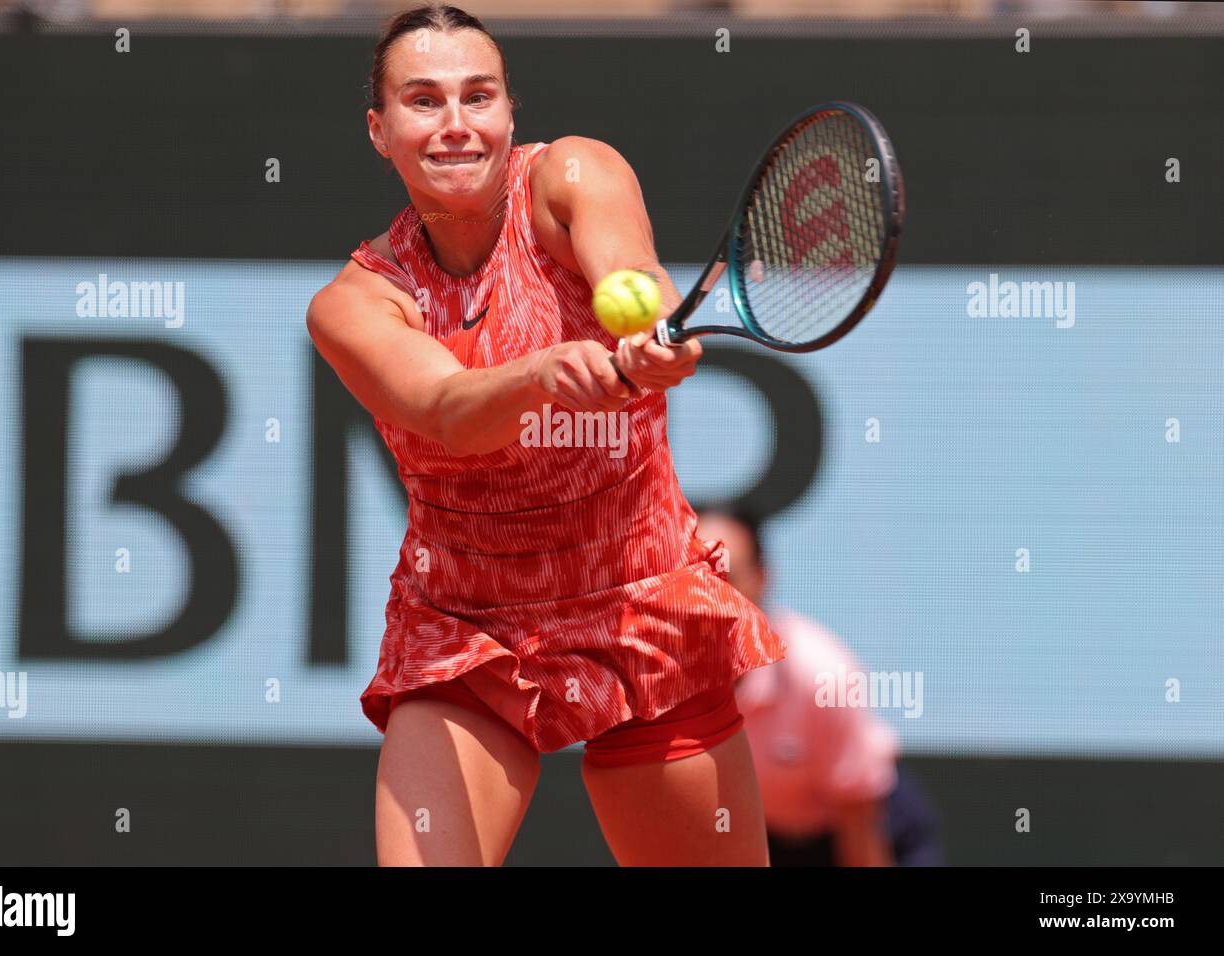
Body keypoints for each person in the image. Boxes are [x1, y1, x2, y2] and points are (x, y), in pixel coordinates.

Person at [307, 4, 786, 866]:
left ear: (509, 112)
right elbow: (449, 410)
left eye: (477, 96)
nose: (456, 124)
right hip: (465, 629)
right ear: (379, 131)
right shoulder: (355, 302)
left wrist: (638, 328)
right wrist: (537, 376)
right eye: (423, 101)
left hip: (641, 602)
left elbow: (627, 265)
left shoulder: (571, 174)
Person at [695, 506, 945, 867]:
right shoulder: (663, 678)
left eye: (726, 576)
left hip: (867, 829)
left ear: (762, 579)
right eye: (696, 578)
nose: (710, 594)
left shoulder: (824, 678)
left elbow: (859, 826)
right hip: (766, 834)